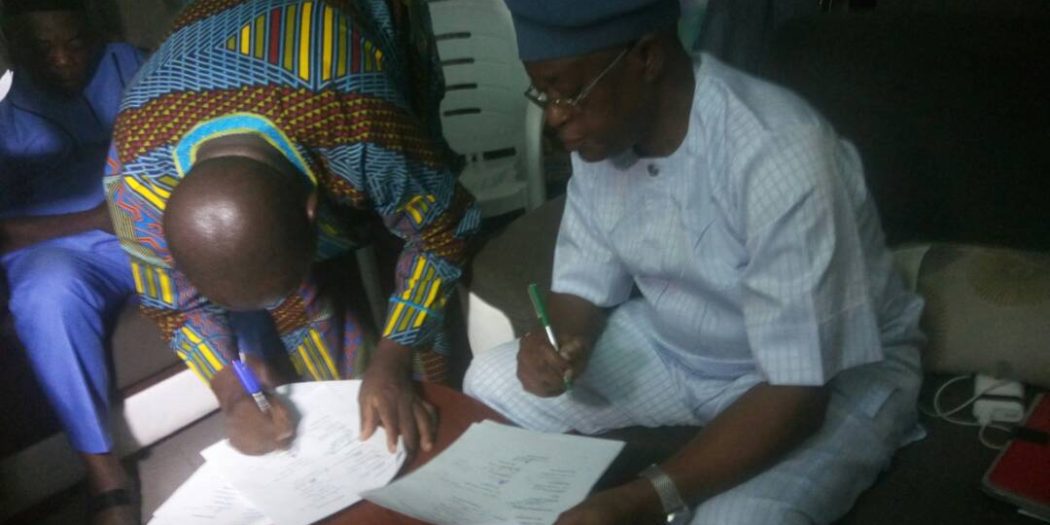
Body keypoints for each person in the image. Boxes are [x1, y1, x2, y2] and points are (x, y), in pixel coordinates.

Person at [463, 1, 925, 524]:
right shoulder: (601, 136)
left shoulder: (778, 151)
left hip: (826, 377)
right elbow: (582, 280)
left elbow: (799, 392)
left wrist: (638, 499)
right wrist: (557, 343)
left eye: (568, 92)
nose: (555, 116)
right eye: (544, 95)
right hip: (682, 349)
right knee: (491, 383)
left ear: (647, 57)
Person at [106, 0, 479, 460]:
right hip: (234, 78)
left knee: (406, 241)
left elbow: (442, 229)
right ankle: (359, 441)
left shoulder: (360, 117)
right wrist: (232, 393)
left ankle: (441, 414)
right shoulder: (136, 177)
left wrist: (394, 358)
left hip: (360, 34)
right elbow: (173, 307)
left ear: (312, 211)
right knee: (301, 305)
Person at [0, 1, 146, 523]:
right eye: (44, 48)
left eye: (75, 43)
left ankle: (262, 383)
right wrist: (94, 219)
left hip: (147, 225)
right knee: (44, 296)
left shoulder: (130, 63)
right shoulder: (5, 111)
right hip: (61, 247)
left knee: (216, 238)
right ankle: (106, 477)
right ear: (17, 48)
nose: (63, 59)